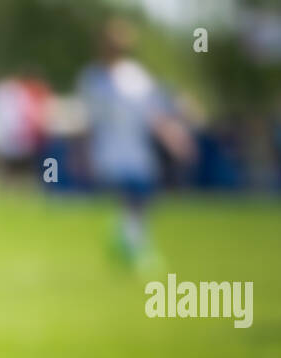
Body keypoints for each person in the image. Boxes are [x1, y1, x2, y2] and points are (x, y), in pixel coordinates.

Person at [76, 18, 194, 271]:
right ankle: (134, 248)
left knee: (142, 200)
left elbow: (153, 112)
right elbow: (88, 119)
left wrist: (173, 136)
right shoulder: (92, 78)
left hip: (137, 151)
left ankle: (128, 243)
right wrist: (82, 151)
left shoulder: (135, 76)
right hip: (108, 150)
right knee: (127, 199)